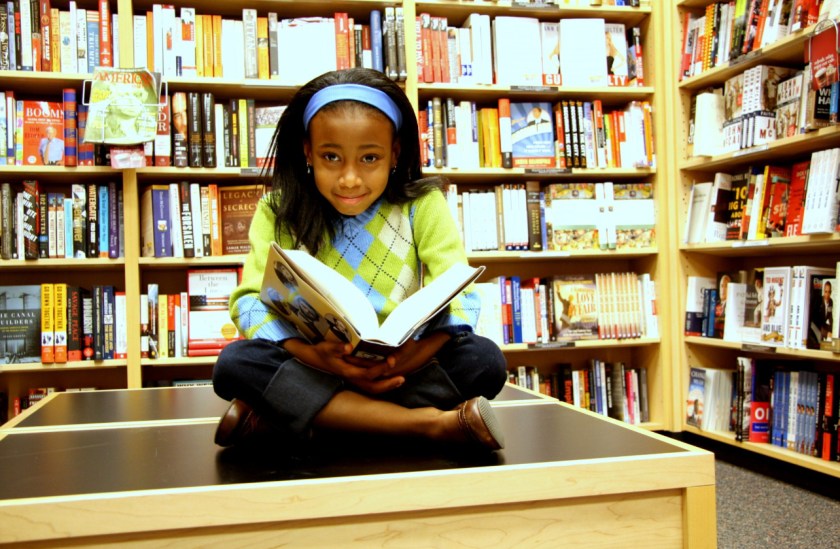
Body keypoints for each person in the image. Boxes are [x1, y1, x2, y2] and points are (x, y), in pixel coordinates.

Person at [212, 68, 508, 452]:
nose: (349, 179)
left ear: (395, 153)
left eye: (370, 158)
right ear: (307, 151)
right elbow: (249, 302)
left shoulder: (422, 205)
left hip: (404, 368)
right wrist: (320, 358)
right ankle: (425, 425)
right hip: (317, 366)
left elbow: (461, 294)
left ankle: (301, 420)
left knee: (484, 360)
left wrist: (408, 357)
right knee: (236, 364)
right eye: (331, 157)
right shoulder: (277, 210)